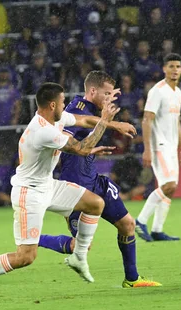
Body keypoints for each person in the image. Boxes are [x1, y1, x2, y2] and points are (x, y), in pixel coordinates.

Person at [0, 82, 121, 300]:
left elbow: (83, 120)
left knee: (95, 203)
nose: (65, 107)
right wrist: (104, 122)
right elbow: (81, 148)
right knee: (25, 257)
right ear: (52, 104)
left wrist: (114, 125)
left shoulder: (56, 118)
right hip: (29, 193)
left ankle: (78, 257)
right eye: (63, 103)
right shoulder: (42, 131)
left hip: (48, 185)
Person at [38, 72, 162, 288]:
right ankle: (34, 239)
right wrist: (110, 124)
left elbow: (92, 126)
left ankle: (132, 279)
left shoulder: (92, 108)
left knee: (128, 224)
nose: (109, 98)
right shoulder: (75, 110)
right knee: (82, 246)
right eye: (105, 93)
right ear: (92, 91)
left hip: (94, 181)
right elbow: (71, 143)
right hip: (75, 189)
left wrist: (96, 141)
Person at [135, 54, 181, 242]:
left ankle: (157, 230)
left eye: (178, 66)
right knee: (169, 186)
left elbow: (177, 122)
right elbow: (146, 120)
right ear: (164, 69)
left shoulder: (178, 93)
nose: (175, 70)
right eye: (171, 66)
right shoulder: (157, 91)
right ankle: (140, 221)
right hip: (159, 146)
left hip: (172, 147)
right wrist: (147, 149)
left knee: (170, 189)